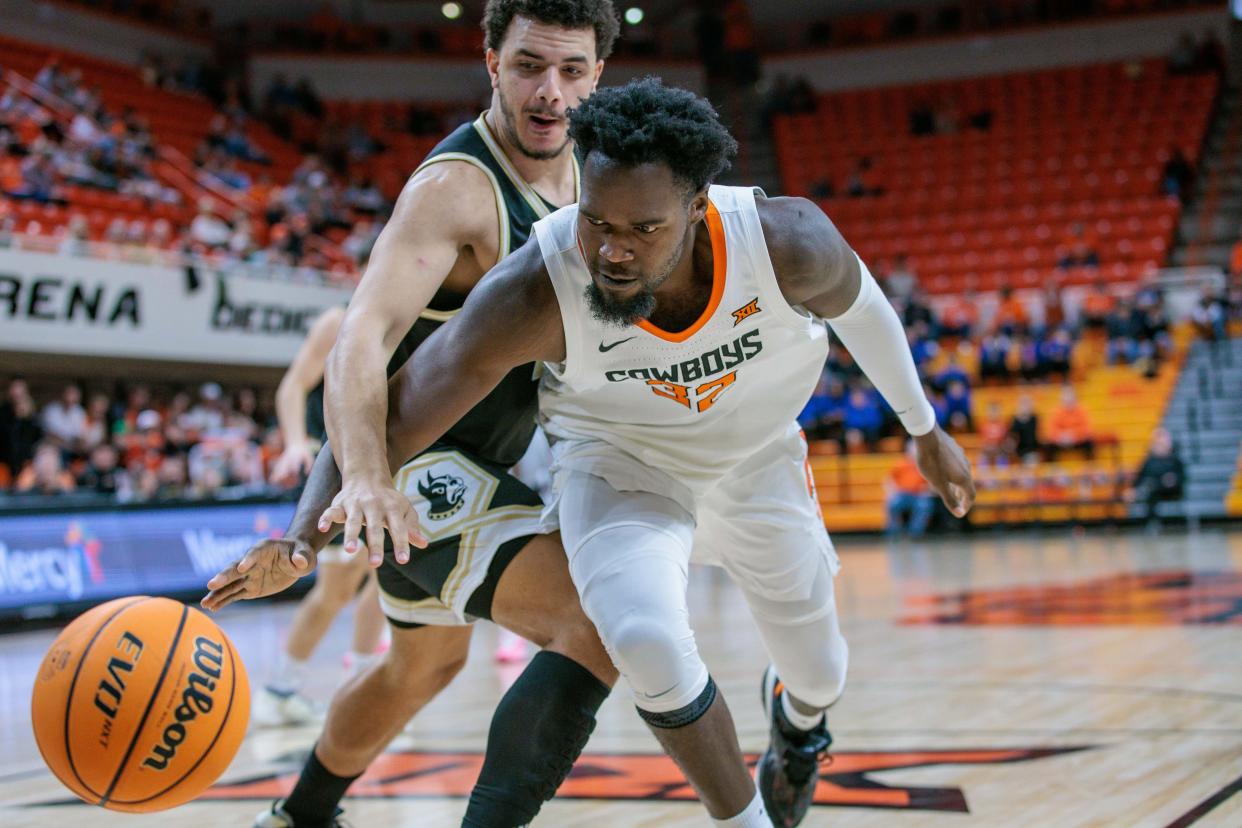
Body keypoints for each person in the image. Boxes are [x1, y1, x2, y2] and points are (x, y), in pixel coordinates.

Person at [321, 78, 975, 828]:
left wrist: (923, 428)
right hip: (620, 463)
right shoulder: (542, 280)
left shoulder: (787, 240)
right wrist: (303, 532)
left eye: (643, 229)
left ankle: (800, 727)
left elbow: (865, 312)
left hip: (755, 459)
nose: (613, 250)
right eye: (597, 220)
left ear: (698, 207)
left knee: (819, 670)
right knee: (639, 634)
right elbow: (400, 405)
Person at [204, 3, 621, 827]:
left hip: (504, 461)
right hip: (422, 467)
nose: (550, 92)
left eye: (571, 71)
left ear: (598, 74)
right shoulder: (457, 188)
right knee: (600, 622)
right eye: (529, 66)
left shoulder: (590, 173)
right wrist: (356, 482)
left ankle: (301, 815)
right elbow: (363, 334)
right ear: (490, 60)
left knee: (420, 669)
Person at [252, 305, 389, 727]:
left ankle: (362, 691)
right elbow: (292, 387)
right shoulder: (339, 320)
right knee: (336, 589)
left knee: (387, 579)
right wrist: (294, 443)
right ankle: (280, 689)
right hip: (333, 467)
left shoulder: (409, 319)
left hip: (382, 462)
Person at [1125, 427, 1185, 530]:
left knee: (1151, 488)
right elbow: (1141, 476)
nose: (1160, 445)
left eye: (1162, 442)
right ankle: (1151, 523)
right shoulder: (1149, 460)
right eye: (1157, 443)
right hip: (1153, 489)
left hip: (1171, 490)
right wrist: (1132, 489)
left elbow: (1182, 476)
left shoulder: (1175, 459)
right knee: (1150, 490)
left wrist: (1174, 479)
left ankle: (1152, 522)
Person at [885, 441, 936, 537]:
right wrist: (891, 492)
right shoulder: (900, 464)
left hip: (918, 495)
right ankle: (893, 532)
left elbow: (931, 483)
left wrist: (926, 489)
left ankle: (915, 533)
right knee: (892, 504)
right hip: (902, 494)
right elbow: (889, 480)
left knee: (924, 506)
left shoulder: (924, 466)